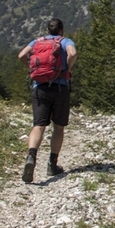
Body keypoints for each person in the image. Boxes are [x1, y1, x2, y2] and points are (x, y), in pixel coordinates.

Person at [17, 18, 77, 183]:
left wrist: (32, 67)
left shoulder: (37, 41)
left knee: (39, 125)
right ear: (61, 30)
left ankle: (31, 156)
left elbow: (21, 55)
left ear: (47, 29)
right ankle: (52, 164)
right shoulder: (65, 41)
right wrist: (68, 69)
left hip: (40, 88)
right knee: (58, 127)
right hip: (60, 88)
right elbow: (72, 53)